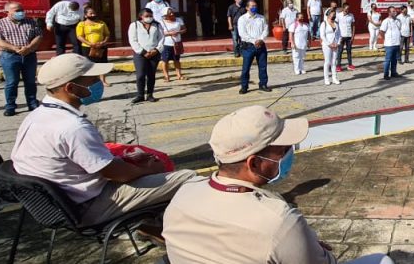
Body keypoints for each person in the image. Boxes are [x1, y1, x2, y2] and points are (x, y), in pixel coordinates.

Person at [162, 106, 393, 264]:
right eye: (283, 150)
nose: (290, 153)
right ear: (254, 164)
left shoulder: (184, 193)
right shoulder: (278, 220)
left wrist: (296, 243)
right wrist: (309, 246)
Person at [12, 54, 198, 230]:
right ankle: (175, 232)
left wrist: (127, 162)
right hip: (87, 206)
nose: (98, 84)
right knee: (187, 179)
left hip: (59, 204)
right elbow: (118, 174)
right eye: (92, 81)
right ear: (71, 88)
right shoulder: (73, 126)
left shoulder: (37, 116)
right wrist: (150, 169)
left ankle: (152, 225)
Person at [0, 2, 43, 116]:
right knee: (11, 82)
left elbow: (38, 36)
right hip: (10, 56)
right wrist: (14, 48)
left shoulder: (31, 22)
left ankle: (32, 103)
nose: (21, 12)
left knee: (30, 81)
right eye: (17, 10)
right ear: (7, 12)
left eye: (21, 10)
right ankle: (10, 106)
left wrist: (29, 47)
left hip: (29, 55)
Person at [128, 8, 164, 104]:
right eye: (146, 16)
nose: (149, 18)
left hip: (154, 53)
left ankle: (150, 94)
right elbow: (133, 40)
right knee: (140, 75)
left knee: (151, 75)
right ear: (141, 16)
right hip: (140, 54)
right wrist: (143, 52)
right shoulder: (134, 25)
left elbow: (161, 39)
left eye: (150, 16)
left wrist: (156, 50)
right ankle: (140, 95)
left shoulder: (157, 25)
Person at [237, 0, 270, 94]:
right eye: (252, 6)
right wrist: (254, 41)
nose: (254, 7)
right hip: (248, 47)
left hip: (261, 46)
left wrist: (261, 39)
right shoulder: (242, 19)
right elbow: (242, 33)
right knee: (246, 68)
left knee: (263, 67)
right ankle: (244, 86)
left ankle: (263, 84)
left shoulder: (261, 18)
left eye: (255, 5)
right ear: (247, 7)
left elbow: (266, 30)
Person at [76, 7, 110, 86]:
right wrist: (89, 43)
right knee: (90, 64)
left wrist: (104, 42)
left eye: (94, 13)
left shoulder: (101, 23)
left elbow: (107, 34)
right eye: (90, 13)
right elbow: (79, 36)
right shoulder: (82, 24)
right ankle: (92, 82)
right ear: (85, 15)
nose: (93, 15)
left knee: (103, 63)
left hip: (101, 46)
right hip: (87, 47)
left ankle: (103, 81)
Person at [160, 8, 187, 82]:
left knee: (177, 60)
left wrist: (178, 32)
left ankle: (179, 75)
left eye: (172, 12)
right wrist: (170, 33)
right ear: (165, 15)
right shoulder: (162, 22)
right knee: (165, 60)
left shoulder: (179, 20)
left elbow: (184, 29)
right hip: (166, 43)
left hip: (177, 42)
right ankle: (166, 76)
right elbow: (160, 33)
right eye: (169, 13)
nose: (172, 14)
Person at [379, 7, 403, 80]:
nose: (395, 12)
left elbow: (399, 29)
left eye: (395, 11)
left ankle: (393, 72)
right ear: (389, 13)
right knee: (388, 60)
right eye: (393, 11)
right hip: (389, 44)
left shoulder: (398, 21)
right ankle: (386, 74)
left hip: (396, 43)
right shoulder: (386, 21)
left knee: (394, 59)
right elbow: (381, 32)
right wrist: (385, 39)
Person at [320, 8, 341, 86]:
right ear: (328, 15)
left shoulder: (336, 23)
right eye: (333, 14)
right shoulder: (324, 24)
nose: (334, 15)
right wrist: (329, 44)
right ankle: (326, 79)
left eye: (335, 14)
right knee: (327, 62)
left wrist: (337, 43)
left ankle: (334, 78)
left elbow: (339, 34)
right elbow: (322, 36)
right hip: (327, 45)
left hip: (335, 45)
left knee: (334, 62)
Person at [336, 3, 356, 72]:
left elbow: (353, 25)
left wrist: (353, 36)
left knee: (349, 51)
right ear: (343, 8)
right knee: (340, 51)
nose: (348, 10)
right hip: (341, 36)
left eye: (348, 9)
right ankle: (338, 66)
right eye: (346, 9)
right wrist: (337, 36)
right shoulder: (338, 15)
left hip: (349, 36)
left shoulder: (351, 15)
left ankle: (350, 65)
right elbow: (336, 26)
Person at [291, 11, 310, 75]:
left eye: (302, 17)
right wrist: (292, 43)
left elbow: (309, 34)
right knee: (296, 57)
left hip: (304, 44)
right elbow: (291, 35)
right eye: (300, 17)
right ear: (297, 18)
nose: (302, 18)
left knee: (302, 57)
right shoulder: (294, 25)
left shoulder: (306, 25)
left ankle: (302, 68)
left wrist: (309, 42)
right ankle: (297, 69)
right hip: (296, 44)